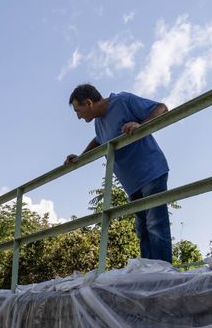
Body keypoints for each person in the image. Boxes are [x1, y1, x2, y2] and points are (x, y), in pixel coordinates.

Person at [64, 83, 172, 262]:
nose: (78, 116)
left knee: (155, 225)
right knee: (143, 230)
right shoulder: (99, 123)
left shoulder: (122, 101)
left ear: (89, 103)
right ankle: (150, 272)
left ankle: (165, 272)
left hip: (150, 171)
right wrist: (80, 157)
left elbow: (161, 108)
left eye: (78, 110)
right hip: (132, 183)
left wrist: (140, 124)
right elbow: (99, 141)